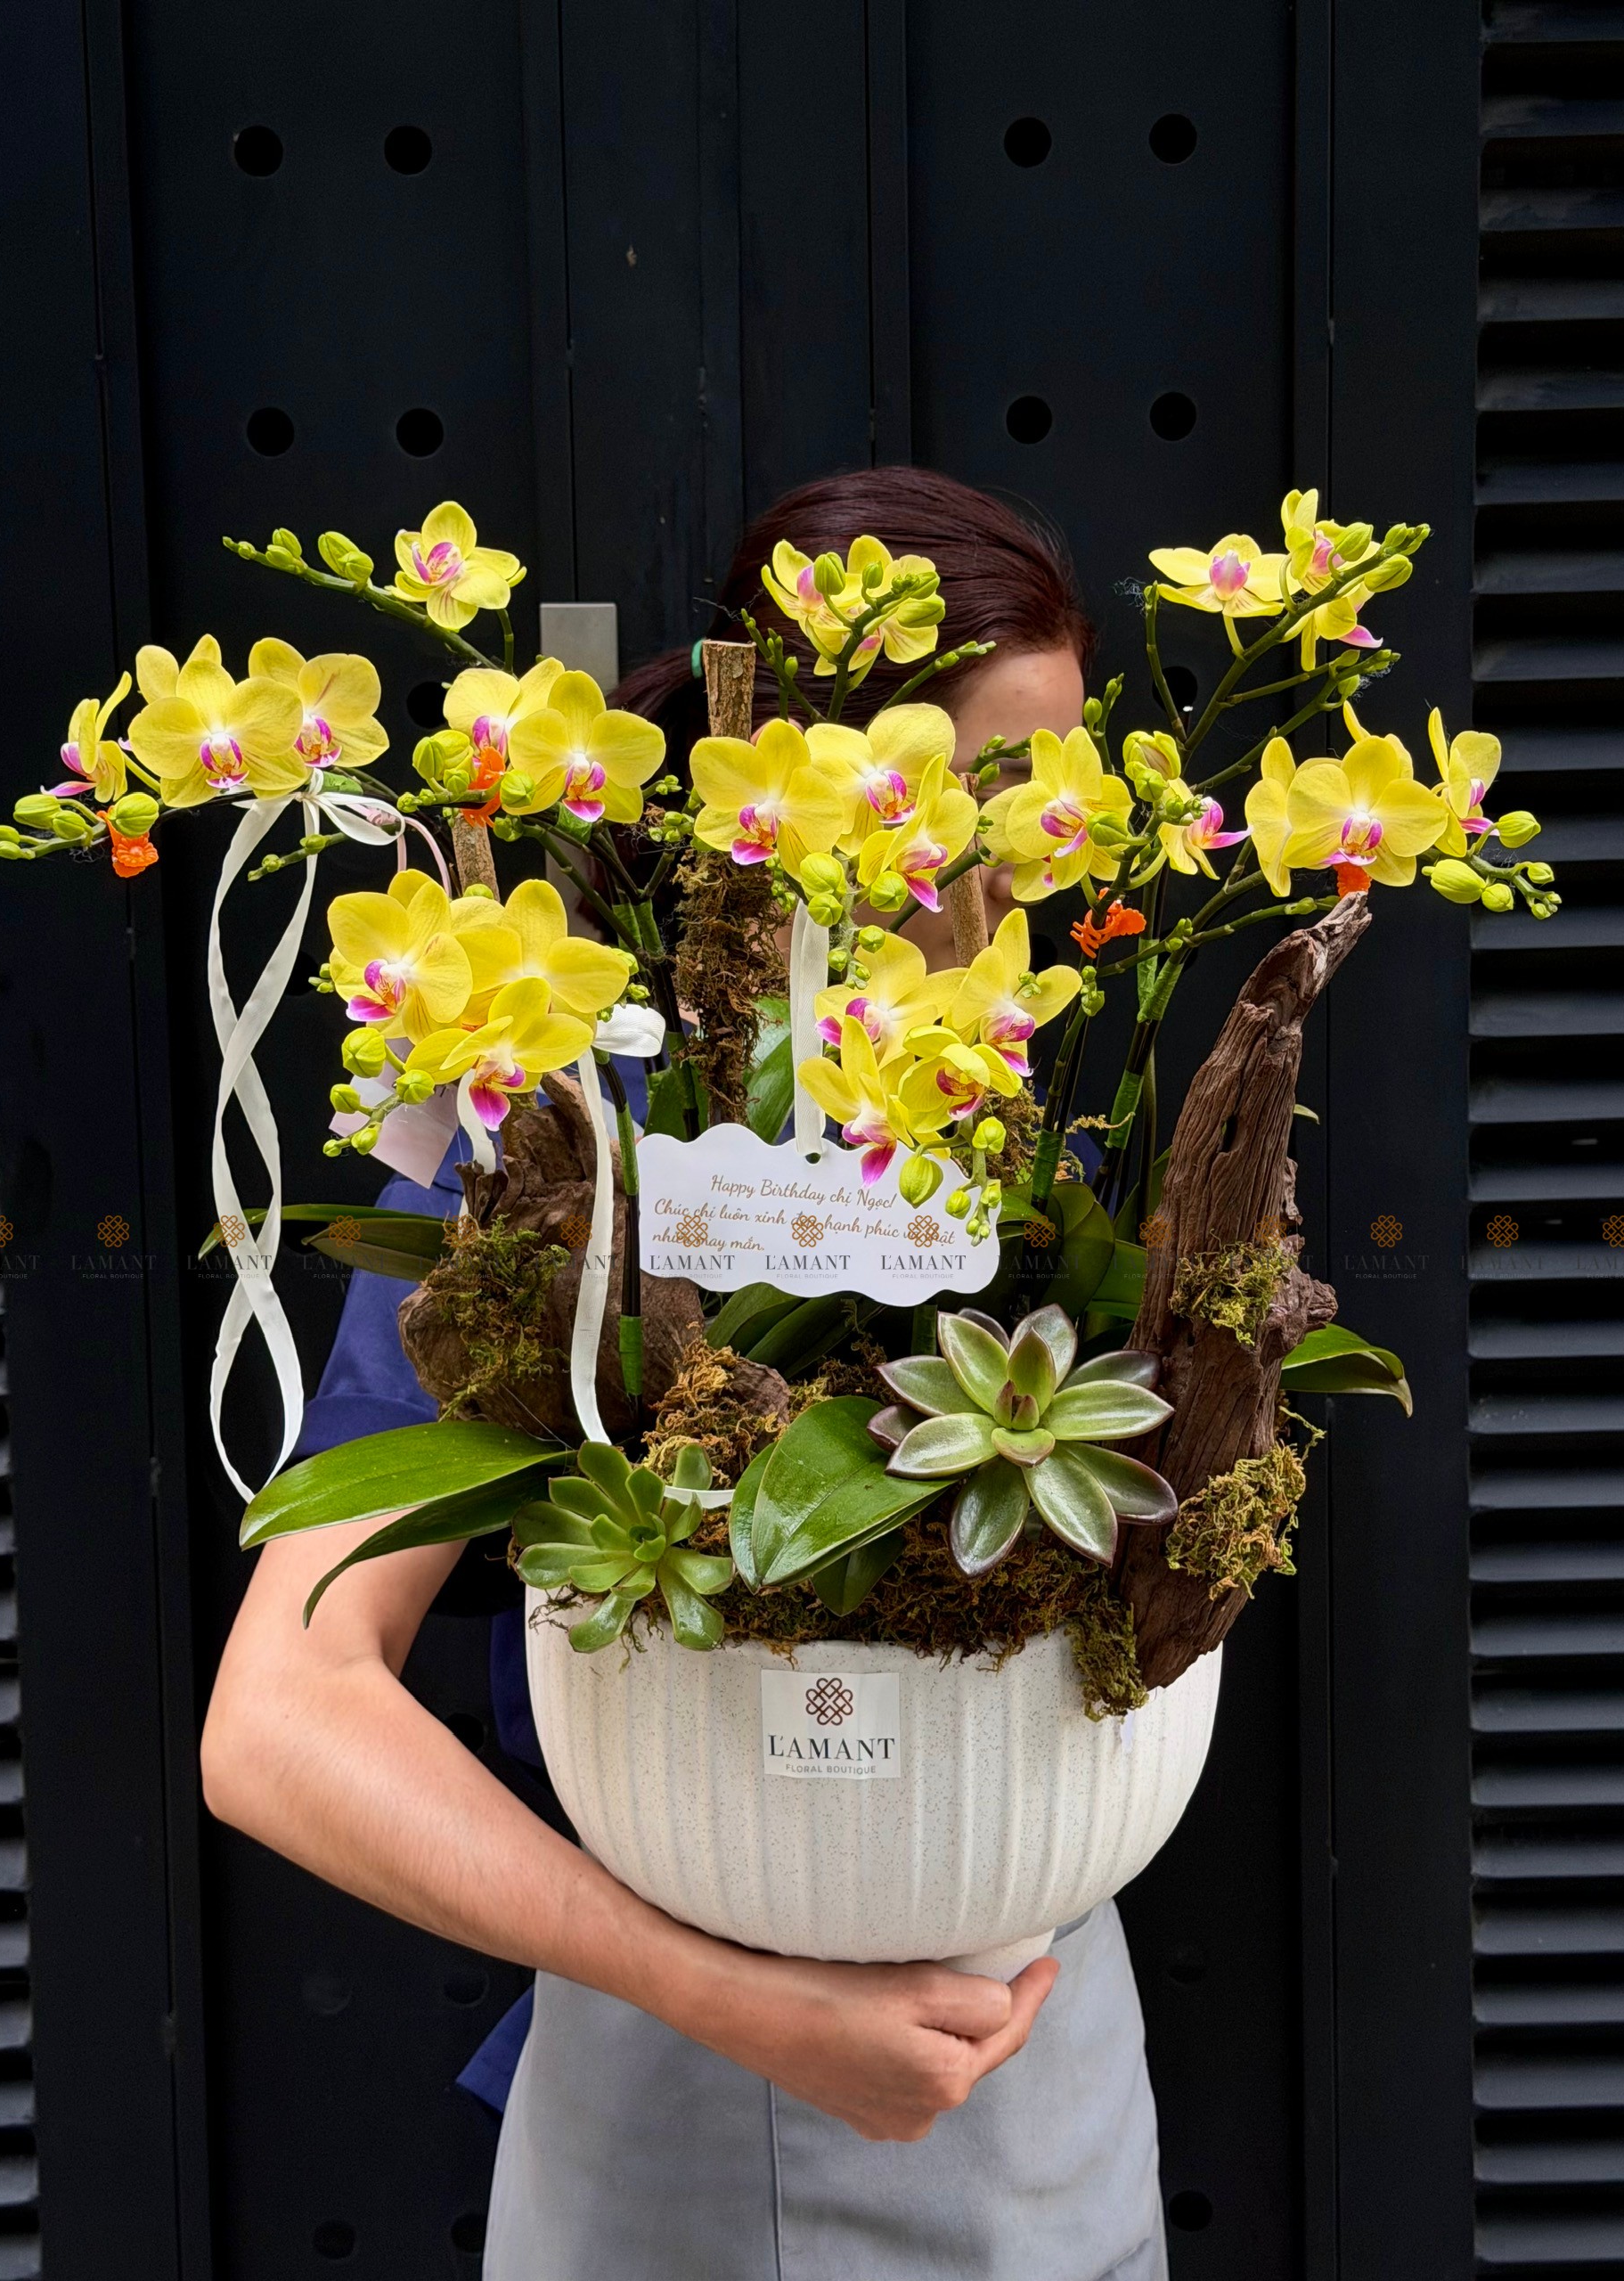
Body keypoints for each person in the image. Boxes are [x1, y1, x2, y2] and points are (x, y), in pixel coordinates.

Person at [202, 465, 1170, 2280]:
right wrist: (718, 1990)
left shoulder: (1036, 1106)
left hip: (1049, 2060)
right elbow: (278, 1718)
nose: (1010, 869)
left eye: (1053, 802)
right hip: (702, 2082)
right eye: (969, 800)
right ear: (789, 777)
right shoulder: (581, 1130)